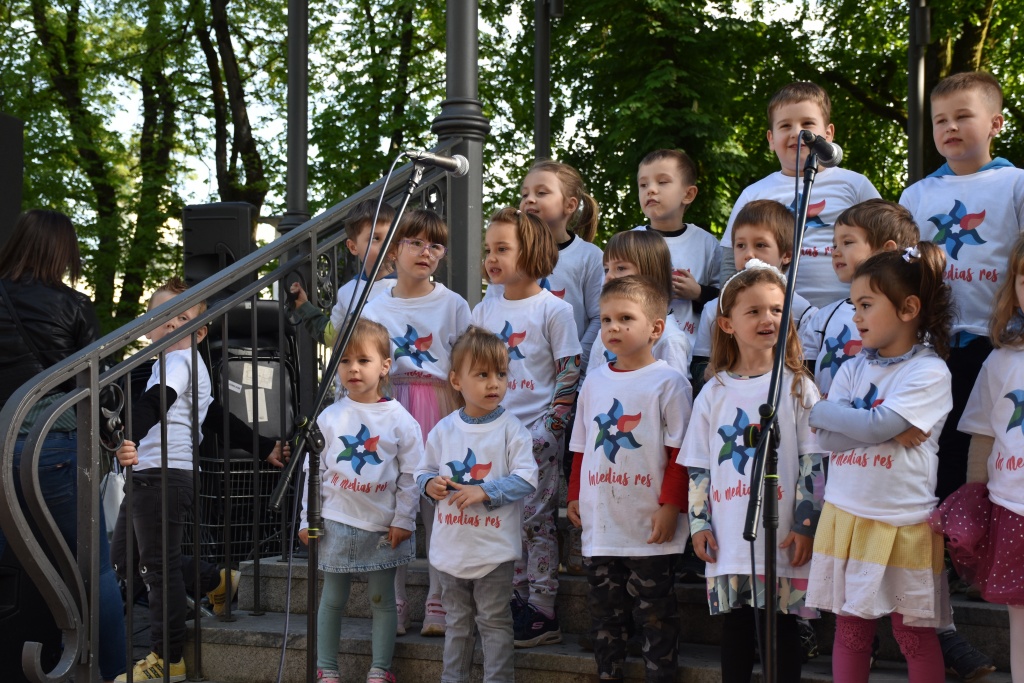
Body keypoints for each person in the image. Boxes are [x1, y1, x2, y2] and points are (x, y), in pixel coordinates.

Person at [899, 71, 1019, 679]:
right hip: (935, 350)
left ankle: (989, 566)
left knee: (993, 467)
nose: (949, 127)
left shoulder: (1015, 184)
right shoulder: (918, 194)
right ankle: (938, 596)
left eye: (963, 116)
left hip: (997, 349)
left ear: (995, 123)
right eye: (940, 119)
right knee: (939, 474)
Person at [112, 277, 283, 682]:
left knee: (158, 569)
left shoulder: (178, 361)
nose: (172, 324)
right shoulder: (183, 364)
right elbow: (216, 416)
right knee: (125, 559)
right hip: (154, 476)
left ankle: (167, 658)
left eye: (183, 318)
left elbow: (158, 401)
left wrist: (127, 436)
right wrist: (264, 446)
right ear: (148, 325)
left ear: (199, 332)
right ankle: (216, 580)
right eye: (164, 316)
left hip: (162, 477)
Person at [806, 243, 954, 682]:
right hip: (846, 516)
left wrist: (865, 422)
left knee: (914, 635)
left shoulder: (929, 372)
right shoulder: (853, 368)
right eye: (854, 305)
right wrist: (880, 426)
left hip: (903, 523)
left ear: (908, 308)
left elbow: (868, 426)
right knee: (851, 632)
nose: (856, 316)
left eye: (866, 305)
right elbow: (826, 434)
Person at [679, 260, 824, 683]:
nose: (768, 319)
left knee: (781, 630)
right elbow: (699, 466)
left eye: (777, 310)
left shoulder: (798, 386)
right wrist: (699, 523)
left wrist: (806, 523)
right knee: (738, 628)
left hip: (781, 538)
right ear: (727, 323)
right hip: (730, 536)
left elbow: (813, 461)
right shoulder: (713, 392)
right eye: (755, 311)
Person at [0, 209, 126, 682]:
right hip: (53, 444)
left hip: (1, 441)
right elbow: (99, 383)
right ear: (63, 251)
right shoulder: (74, 305)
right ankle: (116, 673)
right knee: (95, 569)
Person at [567, 276, 691, 683]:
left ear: (656, 328)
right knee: (605, 614)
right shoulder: (595, 380)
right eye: (606, 320)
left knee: (655, 614)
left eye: (625, 318)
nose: (613, 327)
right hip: (602, 522)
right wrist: (574, 495)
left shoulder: (670, 383)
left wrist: (671, 506)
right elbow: (582, 446)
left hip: (649, 525)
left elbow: (681, 453)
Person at [472, 207, 581, 648]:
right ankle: (516, 598)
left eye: (502, 249)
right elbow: (473, 368)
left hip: (536, 437)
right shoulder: (483, 309)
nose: (491, 258)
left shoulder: (554, 309)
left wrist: (550, 429)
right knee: (504, 521)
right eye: (488, 250)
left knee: (536, 521)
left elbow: (569, 370)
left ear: (531, 251)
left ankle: (542, 607)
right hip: (494, 434)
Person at [361, 208, 471, 636]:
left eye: (435, 245)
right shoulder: (375, 304)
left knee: (437, 502)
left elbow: (465, 361)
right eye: (415, 243)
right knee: (393, 503)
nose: (426, 252)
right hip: (390, 404)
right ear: (394, 250)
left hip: (438, 404)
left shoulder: (453, 304)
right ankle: (395, 600)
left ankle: (439, 599)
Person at [297, 318, 422, 683]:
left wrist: (404, 519)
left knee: (382, 600)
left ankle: (380, 669)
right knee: (332, 598)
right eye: (345, 360)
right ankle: (327, 669)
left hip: (382, 526)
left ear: (385, 366)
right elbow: (313, 471)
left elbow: (412, 476)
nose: (353, 368)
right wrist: (307, 520)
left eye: (363, 360)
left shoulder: (401, 421)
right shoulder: (330, 416)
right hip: (335, 520)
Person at [416, 326, 538, 683]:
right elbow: (422, 471)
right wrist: (430, 484)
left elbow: (526, 478)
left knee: (494, 622)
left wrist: (484, 491)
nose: (494, 383)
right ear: (456, 381)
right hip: (451, 549)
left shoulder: (512, 429)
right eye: (482, 374)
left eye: (501, 374)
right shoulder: (444, 429)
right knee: (457, 623)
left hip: (492, 551)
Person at [931, 234, 1024, 683]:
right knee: (1019, 613)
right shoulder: (1002, 360)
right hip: (1011, 508)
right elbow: (983, 436)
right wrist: (975, 499)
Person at [718, 81, 881, 308]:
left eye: (807, 123)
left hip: (850, 311)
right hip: (773, 316)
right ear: (771, 139)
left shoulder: (855, 185)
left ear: (828, 133)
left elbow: (885, 245)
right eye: (785, 125)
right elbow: (729, 262)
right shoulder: (753, 194)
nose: (797, 133)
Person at [485, 161, 603, 375]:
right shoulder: (507, 255)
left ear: (570, 205)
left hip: (565, 377)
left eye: (541, 193)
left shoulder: (589, 256)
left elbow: (599, 317)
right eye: (524, 194)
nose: (529, 199)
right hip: (511, 376)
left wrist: (576, 365)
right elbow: (491, 308)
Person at [691, 199, 817, 394]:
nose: (749, 254)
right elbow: (699, 363)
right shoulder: (715, 308)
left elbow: (808, 370)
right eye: (740, 245)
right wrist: (706, 373)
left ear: (787, 255)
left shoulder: (803, 311)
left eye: (760, 245)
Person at [800, 199, 919, 397]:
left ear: (886, 250)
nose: (835, 252)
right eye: (834, 244)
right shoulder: (823, 317)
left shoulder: (906, 318)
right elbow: (803, 377)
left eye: (847, 242)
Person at [634, 149, 721, 342]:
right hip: (638, 349)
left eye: (662, 182)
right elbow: (609, 291)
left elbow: (727, 299)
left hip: (692, 349)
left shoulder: (707, 244)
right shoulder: (629, 241)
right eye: (643, 184)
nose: (651, 190)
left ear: (688, 194)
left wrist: (698, 293)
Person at [291, 199, 397, 346]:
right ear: (353, 247)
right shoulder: (347, 292)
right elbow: (331, 336)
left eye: (392, 237)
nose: (387, 245)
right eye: (375, 238)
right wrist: (303, 306)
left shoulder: (409, 286)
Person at [589, 230, 692, 382]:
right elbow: (591, 381)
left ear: (651, 271)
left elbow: (674, 390)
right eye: (606, 269)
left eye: (621, 268)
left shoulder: (669, 338)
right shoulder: (606, 330)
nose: (609, 276)